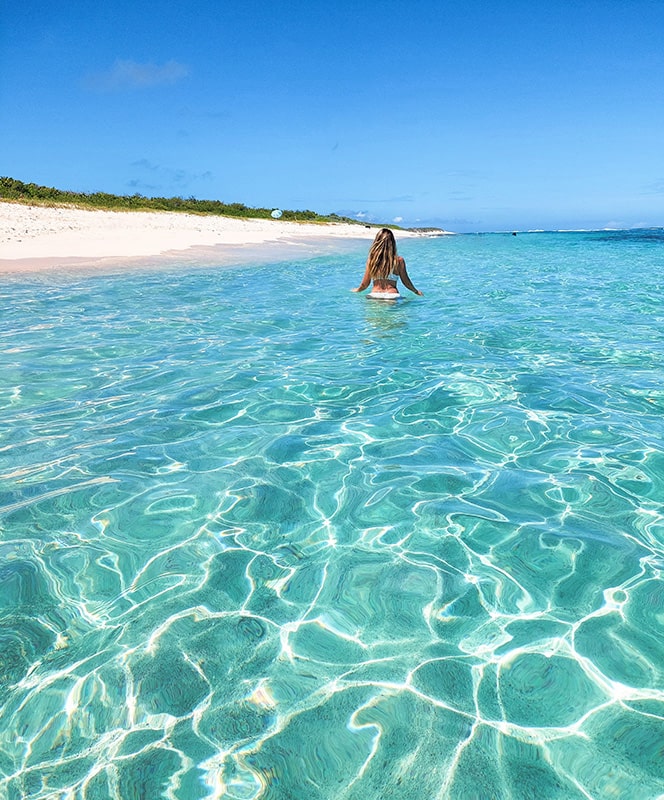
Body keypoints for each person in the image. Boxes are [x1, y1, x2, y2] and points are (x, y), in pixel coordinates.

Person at [351, 228, 423, 299]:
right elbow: (406, 282)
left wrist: (357, 290)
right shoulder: (399, 260)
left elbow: (365, 284)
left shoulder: (372, 260)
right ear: (392, 243)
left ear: (377, 241)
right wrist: (416, 291)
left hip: (374, 295)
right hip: (392, 295)